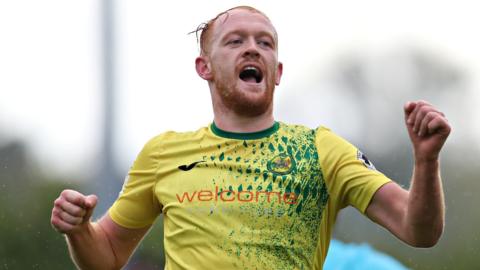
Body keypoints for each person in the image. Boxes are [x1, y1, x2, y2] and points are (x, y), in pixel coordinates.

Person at [50, 6, 451, 270]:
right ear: (204, 67)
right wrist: (80, 230)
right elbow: (107, 256)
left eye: (265, 42)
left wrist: (426, 162)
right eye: (236, 41)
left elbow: (419, 230)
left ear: (277, 71)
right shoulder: (163, 153)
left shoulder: (320, 149)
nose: (253, 49)